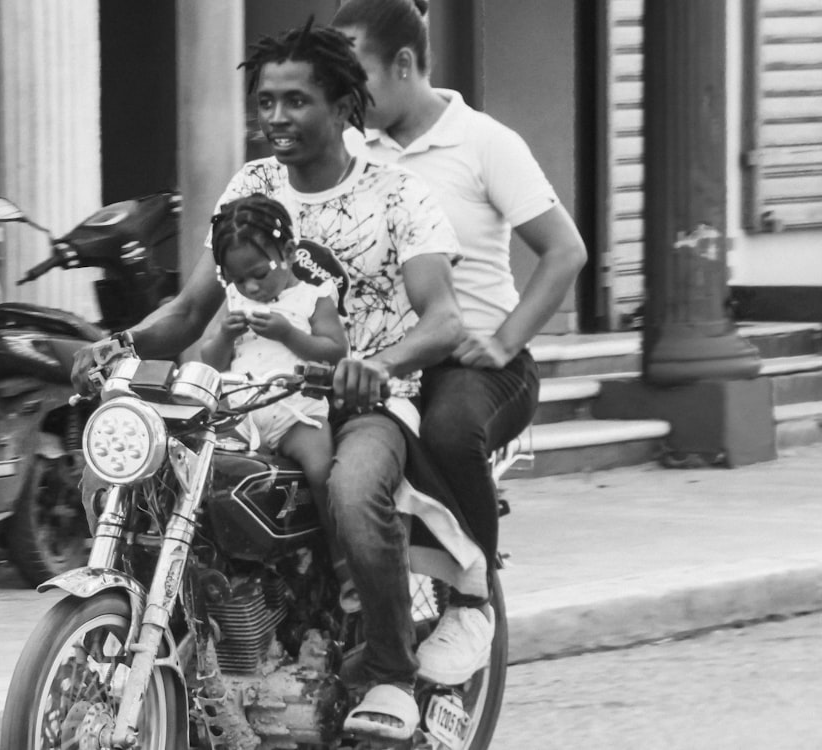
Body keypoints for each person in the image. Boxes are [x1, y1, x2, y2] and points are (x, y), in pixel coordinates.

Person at [73, 19, 463, 743]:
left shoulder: (397, 195)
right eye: (265, 101)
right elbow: (192, 308)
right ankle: (208, 645)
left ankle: (390, 670)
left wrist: (373, 366)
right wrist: (118, 343)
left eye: (295, 101)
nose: (275, 117)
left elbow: (444, 320)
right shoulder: (249, 186)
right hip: (253, 394)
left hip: (362, 399)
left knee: (349, 487)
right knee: (155, 470)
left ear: (344, 105)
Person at [333, 0, 587, 686]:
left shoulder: (485, 143)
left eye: (354, 78)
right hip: (384, 362)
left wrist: (505, 341)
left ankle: (475, 601)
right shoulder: (351, 147)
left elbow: (564, 251)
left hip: (475, 368)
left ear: (406, 64)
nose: (342, 96)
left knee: (448, 430)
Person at [200, 193, 347, 513]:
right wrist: (226, 334)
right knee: (205, 472)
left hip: (299, 415)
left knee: (323, 474)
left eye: (259, 274)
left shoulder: (313, 297)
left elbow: (336, 351)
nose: (250, 288)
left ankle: (340, 556)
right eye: (237, 279)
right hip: (241, 415)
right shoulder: (236, 301)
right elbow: (210, 361)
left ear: (289, 253)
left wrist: (288, 334)